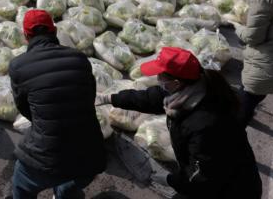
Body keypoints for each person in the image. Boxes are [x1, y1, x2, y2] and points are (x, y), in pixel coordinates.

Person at [97, 47, 262, 199]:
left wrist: (172, 180)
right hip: (213, 177)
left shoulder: (205, 124)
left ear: (176, 83)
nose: (157, 79)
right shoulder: (190, 89)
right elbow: (148, 98)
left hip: (230, 191)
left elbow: (202, 177)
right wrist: (110, 98)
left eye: (160, 75)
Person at [8, 9, 106, 199]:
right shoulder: (79, 58)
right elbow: (89, 98)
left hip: (45, 160)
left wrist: (45, 119)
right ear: (54, 31)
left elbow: (24, 108)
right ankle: (63, 195)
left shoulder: (18, 65)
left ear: (26, 36)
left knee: (21, 184)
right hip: (91, 158)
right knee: (69, 185)